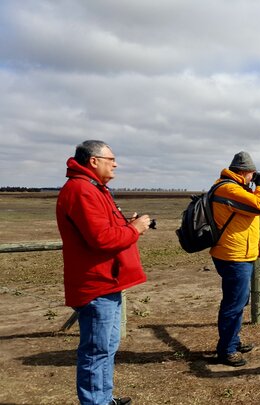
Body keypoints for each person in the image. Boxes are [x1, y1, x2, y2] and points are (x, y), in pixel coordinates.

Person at [56, 140, 151, 405]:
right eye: (111, 159)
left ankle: (103, 398)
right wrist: (135, 229)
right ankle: (96, 402)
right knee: (96, 351)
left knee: (106, 347)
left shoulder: (93, 189)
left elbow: (101, 229)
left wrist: (126, 224)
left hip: (106, 281)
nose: (116, 163)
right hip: (96, 283)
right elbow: (102, 239)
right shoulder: (81, 191)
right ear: (94, 161)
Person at [209, 151, 260, 366]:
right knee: (233, 303)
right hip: (233, 256)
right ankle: (226, 350)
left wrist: (257, 188)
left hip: (236, 253)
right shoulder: (228, 188)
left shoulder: (233, 188)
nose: (254, 177)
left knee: (239, 301)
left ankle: (233, 341)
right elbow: (259, 206)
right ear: (245, 172)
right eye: (253, 174)